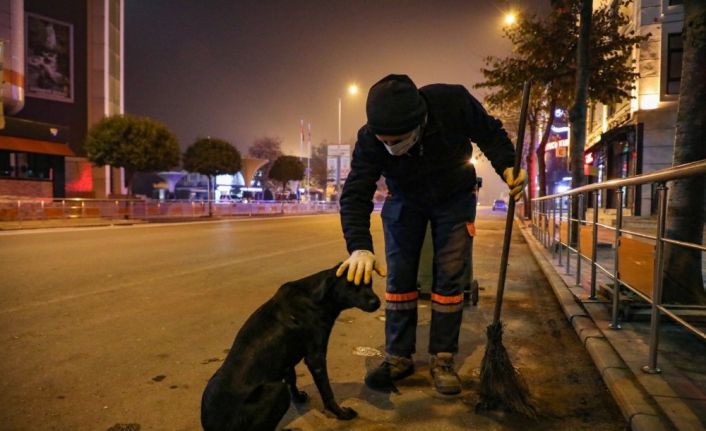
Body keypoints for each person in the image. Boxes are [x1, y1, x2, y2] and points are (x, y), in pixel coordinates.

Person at [336, 74, 526, 395]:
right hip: (405, 197)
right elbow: (356, 192)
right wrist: (359, 247)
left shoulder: (451, 103)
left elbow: (489, 132)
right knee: (399, 277)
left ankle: (443, 357)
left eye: (398, 140)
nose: (391, 147)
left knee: (449, 278)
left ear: (420, 121)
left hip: (454, 195)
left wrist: (507, 166)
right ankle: (398, 356)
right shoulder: (370, 139)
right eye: (385, 141)